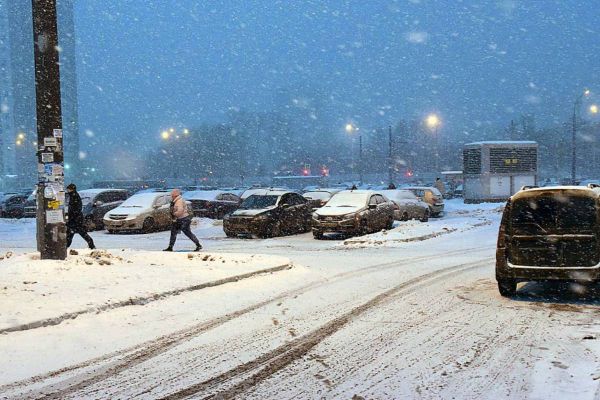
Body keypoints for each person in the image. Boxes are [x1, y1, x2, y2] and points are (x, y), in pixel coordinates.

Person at [66, 183, 95, 249]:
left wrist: (73, 218)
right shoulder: (73, 196)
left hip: (76, 219)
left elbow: (77, 209)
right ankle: (65, 246)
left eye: (68, 189)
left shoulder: (75, 196)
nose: (67, 191)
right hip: (75, 219)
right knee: (71, 234)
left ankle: (91, 244)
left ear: (72, 189)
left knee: (78, 233)